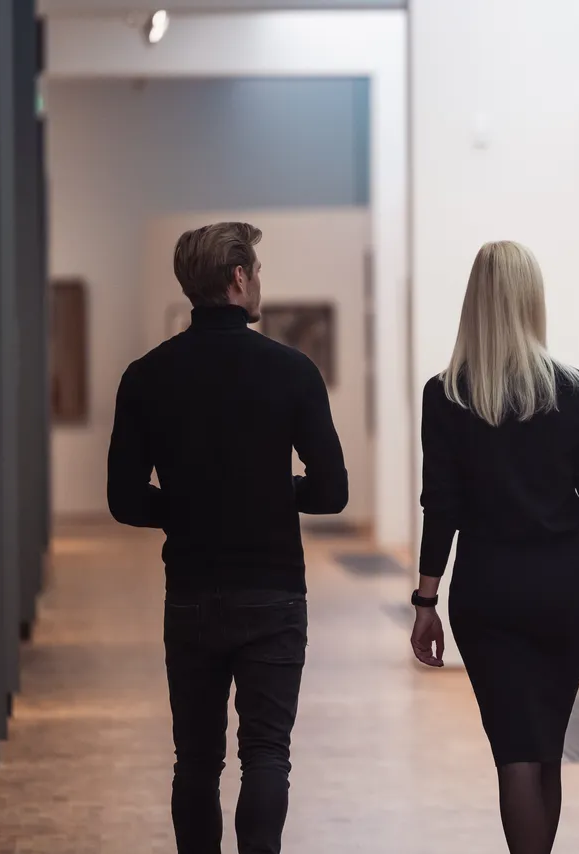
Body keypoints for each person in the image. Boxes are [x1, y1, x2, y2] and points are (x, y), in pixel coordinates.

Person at [107, 222, 348, 854]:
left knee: (196, 759)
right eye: (257, 270)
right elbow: (332, 492)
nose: (259, 280)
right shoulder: (292, 371)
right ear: (239, 279)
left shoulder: (145, 376)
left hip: (190, 590)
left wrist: (192, 504)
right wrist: (266, 495)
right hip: (271, 590)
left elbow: (124, 501)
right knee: (266, 752)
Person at [411, 240, 579, 854]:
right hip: (562, 588)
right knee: (547, 751)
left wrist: (425, 599)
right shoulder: (575, 391)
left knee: (514, 751)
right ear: (532, 301)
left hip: (486, 591)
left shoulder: (446, 394)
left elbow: (442, 508)